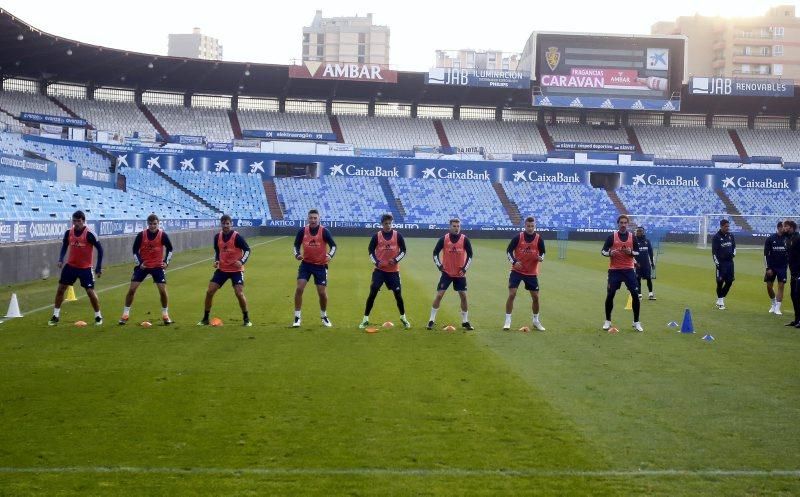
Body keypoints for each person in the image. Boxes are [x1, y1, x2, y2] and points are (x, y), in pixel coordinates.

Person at [48, 210, 104, 326]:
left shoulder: (90, 234)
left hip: (85, 268)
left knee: (90, 292)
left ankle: (98, 316)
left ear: (83, 221)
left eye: (78, 221)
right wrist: (61, 259)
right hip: (71, 266)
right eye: (74, 221)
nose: (76, 223)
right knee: (60, 289)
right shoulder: (69, 232)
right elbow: (64, 245)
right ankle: (55, 316)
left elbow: (100, 249)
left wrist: (98, 267)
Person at [198, 214, 252, 327]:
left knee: (239, 293)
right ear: (221, 224)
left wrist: (241, 262)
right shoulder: (217, 237)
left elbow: (247, 250)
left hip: (236, 270)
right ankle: (205, 318)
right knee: (209, 292)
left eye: (227, 223)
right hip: (222, 269)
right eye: (223, 223)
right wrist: (217, 260)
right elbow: (218, 251)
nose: (225, 226)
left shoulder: (237, 237)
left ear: (231, 224)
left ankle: (246, 318)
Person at [119, 214, 174, 325]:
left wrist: (166, 262)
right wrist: (139, 263)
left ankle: (165, 315)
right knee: (132, 290)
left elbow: (170, 248)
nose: (152, 226)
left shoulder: (162, 235)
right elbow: (135, 250)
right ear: (147, 224)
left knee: (163, 291)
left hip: (157, 267)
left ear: (158, 224)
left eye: (155, 224)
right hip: (143, 266)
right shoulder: (141, 235)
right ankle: (125, 314)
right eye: (150, 224)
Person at [359, 214, 411, 329]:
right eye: (386, 223)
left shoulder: (398, 236)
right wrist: (377, 262)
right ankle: (365, 319)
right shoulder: (376, 236)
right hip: (379, 272)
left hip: (393, 272)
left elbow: (403, 250)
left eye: (389, 223)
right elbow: (370, 251)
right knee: (372, 294)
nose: (388, 225)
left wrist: (395, 259)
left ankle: (403, 317)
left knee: (398, 295)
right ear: (382, 224)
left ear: (392, 223)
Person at [427, 218, 474, 331]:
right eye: (454, 226)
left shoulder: (464, 239)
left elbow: (470, 255)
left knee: (463, 296)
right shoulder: (444, 239)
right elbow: (435, 253)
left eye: (458, 226)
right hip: (447, 273)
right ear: (450, 227)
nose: (456, 228)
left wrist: (464, 268)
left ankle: (465, 321)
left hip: (459, 274)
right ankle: (431, 320)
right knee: (439, 295)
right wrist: (439, 265)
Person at [293, 209, 337, 327]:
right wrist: (297, 254)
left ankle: (324, 316)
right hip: (306, 265)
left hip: (320, 266)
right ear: (308, 218)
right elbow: (296, 245)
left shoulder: (324, 231)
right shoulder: (302, 231)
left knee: (322, 293)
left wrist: (330, 255)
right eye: (311, 218)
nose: (313, 220)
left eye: (315, 218)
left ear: (319, 219)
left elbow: (333, 246)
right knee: (299, 288)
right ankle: (297, 317)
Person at [601, 215, 643, 332]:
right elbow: (603, 251)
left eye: (625, 223)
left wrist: (631, 252)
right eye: (621, 223)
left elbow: (637, 252)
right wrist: (610, 253)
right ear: (618, 224)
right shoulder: (611, 237)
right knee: (610, 294)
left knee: (635, 295)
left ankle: (636, 322)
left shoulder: (632, 237)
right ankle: (608, 321)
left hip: (629, 270)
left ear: (628, 224)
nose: (623, 225)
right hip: (615, 270)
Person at [504, 216, 546, 331]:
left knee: (536, 297)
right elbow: (509, 250)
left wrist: (541, 258)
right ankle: (507, 320)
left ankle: (536, 321)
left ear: (535, 226)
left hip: (531, 273)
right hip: (517, 271)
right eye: (528, 226)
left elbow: (543, 252)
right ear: (525, 226)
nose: (530, 228)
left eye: (532, 226)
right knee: (512, 294)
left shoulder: (538, 239)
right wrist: (514, 261)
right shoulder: (518, 237)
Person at [764, 221, 787, 315]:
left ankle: (777, 308)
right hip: (772, 267)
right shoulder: (770, 239)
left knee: (781, 286)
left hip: (782, 266)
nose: (785, 228)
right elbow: (766, 254)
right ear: (778, 228)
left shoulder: (788, 238)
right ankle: (773, 303)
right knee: (769, 286)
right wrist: (767, 268)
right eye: (783, 227)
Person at [712, 219, 736, 310]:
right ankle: (721, 301)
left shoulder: (731, 236)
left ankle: (720, 299)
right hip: (721, 264)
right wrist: (717, 264)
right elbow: (714, 253)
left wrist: (733, 255)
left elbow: (734, 247)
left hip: (730, 263)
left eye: (728, 226)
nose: (727, 228)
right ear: (721, 226)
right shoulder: (716, 237)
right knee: (720, 283)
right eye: (726, 226)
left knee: (729, 282)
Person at [784, 220, 800, 328]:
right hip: (793, 272)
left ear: (791, 227)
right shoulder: (788, 239)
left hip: (799, 271)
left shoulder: (798, 238)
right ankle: (797, 319)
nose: (784, 228)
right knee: (794, 296)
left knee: (798, 295)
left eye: (786, 226)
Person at [634, 226, 656, 301]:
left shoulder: (647, 241)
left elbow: (651, 252)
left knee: (649, 278)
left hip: (646, 264)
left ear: (643, 232)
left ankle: (651, 294)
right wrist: (634, 263)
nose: (638, 232)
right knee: (638, 279)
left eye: (640, 231)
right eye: (637, 231)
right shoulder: (633, 241)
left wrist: (652, 263)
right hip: (637, 264)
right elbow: (631, 253)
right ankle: (639, 295)